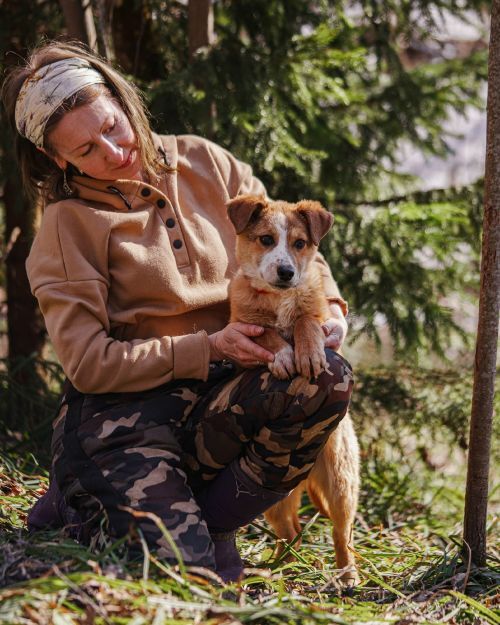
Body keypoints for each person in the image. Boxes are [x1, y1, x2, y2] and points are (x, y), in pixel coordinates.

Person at [2, 41, 353, 582]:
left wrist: (328, 308)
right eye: (87, 148)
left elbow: (297, 245)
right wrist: (206, 347)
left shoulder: (205, 162)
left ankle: (214, 521)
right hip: (125, 415)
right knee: (183, 573)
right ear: (59, 158)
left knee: (325, 378)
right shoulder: (67, 226)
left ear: (124, 102)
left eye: (113, 126)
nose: (114, 151)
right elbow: (88, 363)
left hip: (221, 389)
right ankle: (86, 493)